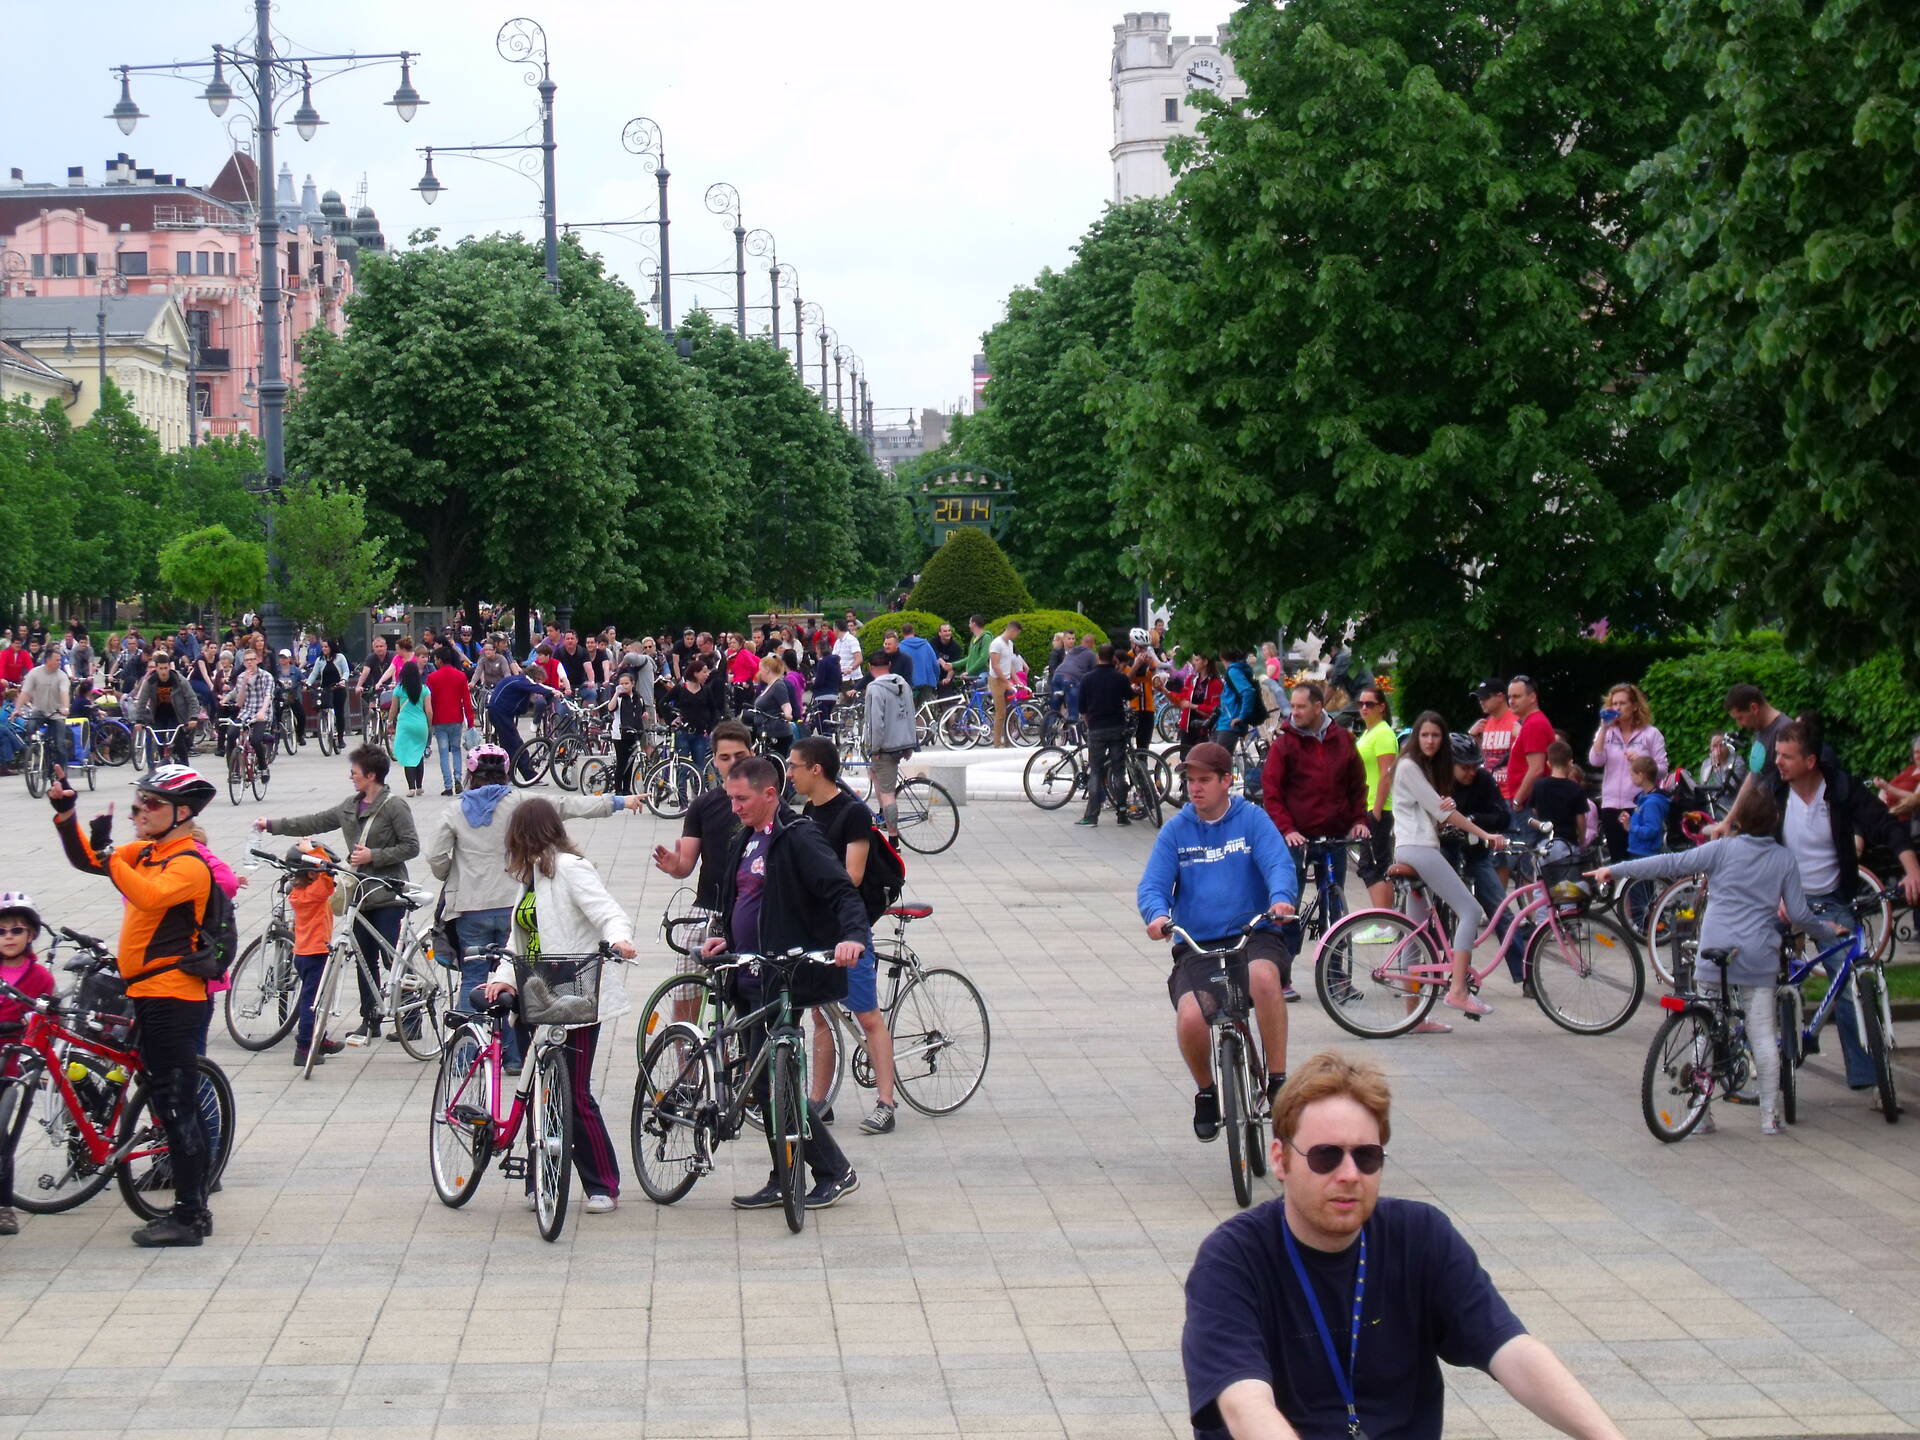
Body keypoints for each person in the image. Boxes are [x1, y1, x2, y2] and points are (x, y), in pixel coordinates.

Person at [1182, 1052, 1628, 1440]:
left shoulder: (1421, 1235)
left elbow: (1512, 1351)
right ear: (1281, 1160)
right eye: (1325, 1156)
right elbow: (1244, 1404)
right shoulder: (1232, 1258)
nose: (1349, 1174)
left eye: (1366, 1157)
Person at [1591, 786, 1835, 1136]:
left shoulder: (1720, 850)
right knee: (1763, 1035)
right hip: (1758, 957)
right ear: (1776, 820)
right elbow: (1798, 913)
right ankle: (1769, 1119)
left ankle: (1700, 1116)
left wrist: (1615, 870)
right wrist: (1827, 929)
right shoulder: (1784, 859)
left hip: (1713, 951)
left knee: (1705, 1030)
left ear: (1738, 821)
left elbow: (1669, 863)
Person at [51, 766, 222, 1247]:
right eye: (139, 802)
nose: (138, 811)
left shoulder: (189, 864)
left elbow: (147, 897)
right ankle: (186, 1203)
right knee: (165, 1101)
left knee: (176, 1106)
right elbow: (90, 861)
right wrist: (66, 815)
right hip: (146, 994)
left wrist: (112, 856)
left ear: (182, 813)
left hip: (174, 998)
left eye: (150, 803)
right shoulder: (147, 853)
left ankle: (191, 1217)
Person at [701, 756, 866, 1211]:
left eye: (741, 799)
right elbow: (744, 900)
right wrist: (726, 938)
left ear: (770, 794)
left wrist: (853, 936)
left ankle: (834, 1170)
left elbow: (840, 890)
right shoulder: (744, 839)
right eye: (730, 798)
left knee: (779, 1083)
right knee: (763, 1087)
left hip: (782, 978)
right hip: (746, 975)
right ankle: (784, 1174)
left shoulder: (798, 837)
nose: (734, 807)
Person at [469, 799, 633, 1214]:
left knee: (573, 1092)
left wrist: (619, 940)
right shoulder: (531, 876)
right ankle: (540, 1178)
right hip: (535, 990)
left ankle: (603, 1184)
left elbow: (608, 912)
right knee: (537, 1090)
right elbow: (519, 940)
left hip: (574, 990)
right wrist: (503, 978)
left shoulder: (571, 869)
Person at [433, 745, 636, 1072]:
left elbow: (435, 857)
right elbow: (569, 804)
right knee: (513, 981)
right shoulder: (523, 809)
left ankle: (463, 1059)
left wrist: (453, 875)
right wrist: (618, 801)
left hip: (473, 908)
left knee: (473, 979)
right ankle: (516, 1059)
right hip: (514, 914)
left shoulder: (454, 810)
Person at [1138, 741, 1300, 1140]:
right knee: (1191, 1017)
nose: (1195, 788)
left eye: (1205, 780)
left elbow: (1278, 863)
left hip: (1253, 934)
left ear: (1227, 780)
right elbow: (1153, 885)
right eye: (1190, 781)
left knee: (1263, 977)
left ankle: (1278, 1079)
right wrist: (1157, 916)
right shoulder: (1176, 831)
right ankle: (1207, 1091)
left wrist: (1281, 899)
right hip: (1199, 945)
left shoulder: (1252, 820)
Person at [1765, 721, 1920, 1101]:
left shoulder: (1840, 789)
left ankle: (1871, 1077)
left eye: (1786, 756)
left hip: (1832, 900)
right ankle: (1755, 1059)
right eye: (1777, 754)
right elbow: (1757, 844)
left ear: (1810, 761)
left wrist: (1912, 869)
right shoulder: (1773, 792)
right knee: (1753, 968)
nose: (1778, 762)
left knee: (1851, 982)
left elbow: (1885, 825)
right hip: (1783, 900)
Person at [254, 746, 420, 1045]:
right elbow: (314, 822)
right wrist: (272, 825)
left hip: (387, 893)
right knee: (364, 959)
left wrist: (374, 855)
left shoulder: (394, 806)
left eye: (355, 773)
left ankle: (411, 1020)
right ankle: (370, 1020)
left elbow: (411, 846)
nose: (351, 777)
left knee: (392, 958)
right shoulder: (349, 807)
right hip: (359, 894)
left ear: (371, 775)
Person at [787, 737, 900, 1135]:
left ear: (815, 769)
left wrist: (808, 882)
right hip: (818, 928)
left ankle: (886, 1103)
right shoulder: (808, 810)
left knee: (868, 1016)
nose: (789, 773)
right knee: (821, 1014)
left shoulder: (853, 813)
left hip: (848, 929)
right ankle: (820, 1101)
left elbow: (852, 875)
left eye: (794, 766)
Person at [1391, 711, 1510, 1022]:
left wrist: (1446, 809)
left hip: (1412, 847)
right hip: (1419, 849)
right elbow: (1441, 812)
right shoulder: (1409, 766)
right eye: (1425, 735)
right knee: (1469, 910)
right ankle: (1458, 990)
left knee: (1415, 933)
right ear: (1416, 737)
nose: (1430, 741)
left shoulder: (1424, 769)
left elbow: (1438, 811)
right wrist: (1485, 834)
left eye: (1436, 736)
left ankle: (1413, 1018)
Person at [1261, 684, 1368, 968]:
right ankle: (1282, 974)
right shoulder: (1285, 744)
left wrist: (1359, 821)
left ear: (1318, 707)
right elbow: (1272, 793)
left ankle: (1336, 977)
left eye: (1300, 707)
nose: (1294, 712)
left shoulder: (1343, 740)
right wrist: (1287, 829)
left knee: (1335, 909)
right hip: (1297, 838)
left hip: (1334, 835)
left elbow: (1357, 786)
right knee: (1288, 906)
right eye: (1293, 706)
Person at [0, 892, 56, 1238]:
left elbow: (46, 1023)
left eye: (16, 930)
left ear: (31, 934)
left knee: (1, 1137)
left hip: (11, 1067)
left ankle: (4, 1207)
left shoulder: (39, 978)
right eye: (2, 931)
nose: (8, 937)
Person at [1587, 683, 1668, 860]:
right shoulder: (1607, 733)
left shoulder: (1651, 734)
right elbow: (1595, 760)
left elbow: (1662, 770)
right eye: (1614, 704)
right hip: (1611, 805)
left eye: (1622, 703)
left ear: (1634, 706)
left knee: (1639, 858)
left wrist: (1642, 761)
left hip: (1639, 805)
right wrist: (1603, 729)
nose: (1617, 708)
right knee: (1617, 860)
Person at [284, 844, 346, 1069]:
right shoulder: (317, 892)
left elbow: (322, 870)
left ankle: (319, 1038)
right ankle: (304, 1048)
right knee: (312, 1002)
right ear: (312, 873)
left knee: (313, 998)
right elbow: (326, 868)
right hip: (317, 953)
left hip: (302, 954)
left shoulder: (297, 893)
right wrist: (313, 849)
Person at [1077, 644, 1135, 827]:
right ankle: (1122, 813)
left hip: (1096, 728)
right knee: (1119, 771)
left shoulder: (1087, 679)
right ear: (1114, 659)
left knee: (1096, 771)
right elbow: (1130, 695)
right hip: (1117, 727)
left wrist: (1089, 723)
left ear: (1098, 657)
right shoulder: (1120, 678)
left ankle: (1092, 816)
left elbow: (1082, 708)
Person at [1352, 683, 1398, 909]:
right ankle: (1384, 917)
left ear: (1381, 707)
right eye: (1360, 703)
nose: (1364, 708)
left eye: (1369, 704)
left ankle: (1383, 919)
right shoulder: (1369, 732)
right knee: (1373, 864)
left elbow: (1386, 775)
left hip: (1378, 807)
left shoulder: (1383, 734)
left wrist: (1376, 811)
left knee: (1374, 866)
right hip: (1367, 805)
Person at [486, 667, 559, 783]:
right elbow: (537, 687)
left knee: (508, 745)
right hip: (501, 713)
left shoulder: (517, 680)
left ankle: (506, 775)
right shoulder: (522, 681)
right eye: (539, 680)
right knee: (517, 745)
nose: (540, 683)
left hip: (499, 712)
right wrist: (553, 692)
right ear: (534, 677)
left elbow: (523, 705)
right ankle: (530, 776)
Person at [129, 651, 201, 766]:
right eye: (161, 668)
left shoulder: (179, 680)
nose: (163, 671)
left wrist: (193, 717)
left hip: (176, 713)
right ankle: (164, 763)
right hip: (159, 713)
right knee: (159, 740)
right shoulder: (150, 682)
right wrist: (139, 720)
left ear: (169, 667)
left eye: (165, 668)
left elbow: (192, 699)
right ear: (156, 668)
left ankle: (184, 764)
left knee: (177, 738)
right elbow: (142, 701)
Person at [423, 645, 475, 796]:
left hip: (439, 719)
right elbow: (466, 701)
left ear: (439, 660)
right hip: (456, 718)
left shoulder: (432, 677)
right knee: (456, 749)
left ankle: (448, 785)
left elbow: (429, 701)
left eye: (435, 659)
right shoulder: (460, 676)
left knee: (444, 752)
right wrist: (470, 722)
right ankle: (458, 778)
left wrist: (428, 720)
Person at [1724, 682, 1791, 797]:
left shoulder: (1785, 731)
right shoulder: (1759, 729)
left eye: (1740, 718)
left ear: (1754, 708)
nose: (1739, 725)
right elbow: (1755, 774)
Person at [1501, 676, 1554, 817]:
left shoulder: (1534, 724)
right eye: (1509, 697)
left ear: (1532, 697)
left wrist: (1518, 800)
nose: (1511, 701)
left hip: (1529, 804)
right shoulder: (1532, 722)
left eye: (1517, 696)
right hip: (1530, 801)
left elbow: (1536, 769)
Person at [16, 646, 72, 767]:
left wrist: (65, 708)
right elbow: (25, 692)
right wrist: (17, 709)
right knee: (30, 728)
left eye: (60, 660)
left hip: (56, 713)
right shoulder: (34, 673)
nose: (60, 662)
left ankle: (62, 774)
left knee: (60, 744)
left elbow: (64, 693)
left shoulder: (62, 676)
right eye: (57, 660)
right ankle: (37, 751)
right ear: (48, 660)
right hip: (39, 711)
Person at [1529, 741, 1589, 849]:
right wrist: (1582, 840)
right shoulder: (1576, 789)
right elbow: (1580, 819)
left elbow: (1534, 810)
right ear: (1570, 763)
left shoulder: (1539, 785)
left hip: (1543, 842)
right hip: (1567, 842)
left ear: (1548, 764)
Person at [387, 660, 433, 797]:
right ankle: (420, 787)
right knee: (418, 754)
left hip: (404, 725)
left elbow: (393, 709)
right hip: (420, 724)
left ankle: (411, 788)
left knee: (408, 756)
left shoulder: (399, 689)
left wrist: (389, 722)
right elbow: (429, 710)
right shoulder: (424, 689)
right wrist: (429, 725)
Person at [231, 646, 277, 778]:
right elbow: (239, 703)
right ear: (244, 663)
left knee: (255, 740)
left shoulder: (266, 676)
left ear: (257, 660)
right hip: (246, 712)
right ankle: (234, 770)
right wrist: (244, 683)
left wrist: (262, 712)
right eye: (247, 660)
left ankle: (263, 767)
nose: (250, 662)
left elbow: (268, 696)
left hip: (262, 712)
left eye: (252, 659)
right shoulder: (241, 677)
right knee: (231, 734)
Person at [1468, 679, 1519, 790]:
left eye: (1485, 697)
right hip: (1490, 791)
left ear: (1500, 697)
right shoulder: (1485, 723)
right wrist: (1474, 737)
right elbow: (1485, 757)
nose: (1481, 701)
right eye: (1479, 698)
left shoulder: (1517, 721)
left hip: (1511, 791)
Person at [751, 655, 797, 760]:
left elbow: (786, 704)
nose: (759, 672)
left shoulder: (778, 685)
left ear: (767, 669)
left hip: (777, 733)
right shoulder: (769, 686)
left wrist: (787, 714)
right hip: (766, 731)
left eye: (760, 669)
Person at [308, 639, 350, 742]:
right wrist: (308, 683)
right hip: (325, 689)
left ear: (331, 647)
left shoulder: (340, 657)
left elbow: (346, 671)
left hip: (338, 688)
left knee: (339, 712)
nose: (324, 649)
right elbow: (314, 673)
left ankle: (340, 738)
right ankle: (325, 725)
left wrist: (343, 680)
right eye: (322, 647)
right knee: (322, 707)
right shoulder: (320, 660)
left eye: (326, 647)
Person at [988, 619, 1021, 747]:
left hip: (1006, 679)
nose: (1017, 636)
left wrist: (1016, 679)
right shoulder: (996, 644)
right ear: (1012, 630)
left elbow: (1009, 664)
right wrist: (1006, 682)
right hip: (997, 680)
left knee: (1009, 711)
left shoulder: (1010, 644)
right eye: (1017, 633)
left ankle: (1008, 741)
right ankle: (997, 742)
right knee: (1001, 713)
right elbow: (995, 665)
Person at [897, 621, 941, 709]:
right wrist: (935, 679)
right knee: (925, 710)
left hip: (909, 685)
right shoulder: (926, 645)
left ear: (902, 633)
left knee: (910, 711)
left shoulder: (900, 648)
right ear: (913, 631)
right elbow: (935, 665)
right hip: (927, 682)